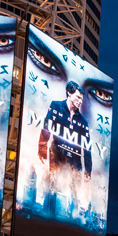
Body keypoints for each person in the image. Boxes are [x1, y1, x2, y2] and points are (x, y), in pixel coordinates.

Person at [38, 80, 92, 213]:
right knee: (53, 184)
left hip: (75, 161)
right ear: (69, 94)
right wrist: (42, 148)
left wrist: (88, 170)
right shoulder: (56, 106)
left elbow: (87, 148)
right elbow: (46, 128)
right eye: (78, 97)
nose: (80, 101)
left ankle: (72, 219)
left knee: (74, 192)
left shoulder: (83, 122)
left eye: (82, 99)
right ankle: (47, 214)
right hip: (57, 153)